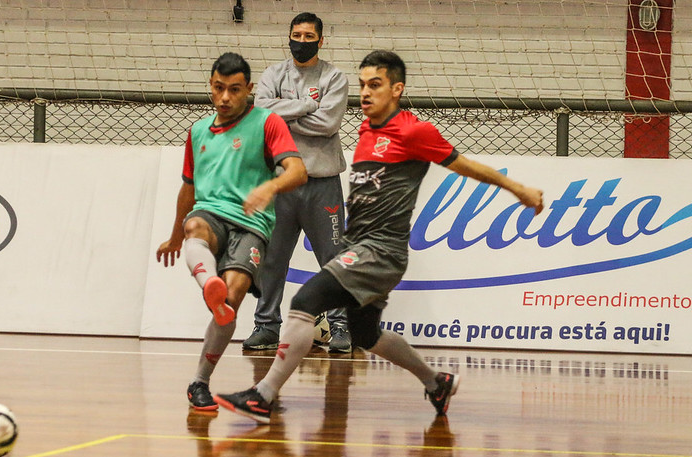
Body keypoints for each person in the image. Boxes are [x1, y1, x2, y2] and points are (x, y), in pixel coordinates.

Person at [214, 50, 544, 424]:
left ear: (396, 89)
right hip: (361, 247)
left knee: (306, 301)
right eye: (362, 85)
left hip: (380, 252)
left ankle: (263, 395)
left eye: (375, 85)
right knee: (366, 333)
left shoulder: (415, 131)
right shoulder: (367, 130)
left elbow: (468, 166)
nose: (365, 93)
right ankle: (436, 381)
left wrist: (518, 189)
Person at [156, 52, 307, 411]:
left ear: (249, 90)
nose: (225, 98)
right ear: (210, 86)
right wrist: (176, 236)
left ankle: (200, 378)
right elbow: (188, 188)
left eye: (234, 90)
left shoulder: (268, 123)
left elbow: (297, 171)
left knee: (231, 303)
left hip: (253, 225)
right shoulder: (197, 131)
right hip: (211, 214)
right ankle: (209, 284)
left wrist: (270, 187)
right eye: (219, 88)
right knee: (195, 224)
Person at [242, 12, 352, 354]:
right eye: (296, 35)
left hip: (322, 184)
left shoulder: (334, 77)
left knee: (333, 259)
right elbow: (261, 112)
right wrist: (306, 105)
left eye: (308, 36)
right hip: (280, 183)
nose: (301, 42)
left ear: (321, 40)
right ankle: (266, 326)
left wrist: (284, 117)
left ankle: (341, 328)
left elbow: (328, 124)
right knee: (272, 259)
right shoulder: (274, 74)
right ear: (288, 36)